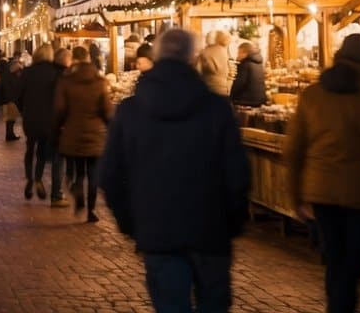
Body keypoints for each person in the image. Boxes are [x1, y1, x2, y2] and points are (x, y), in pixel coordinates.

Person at [100, 28, 251, 313]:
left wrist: (131, 223)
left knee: (170, 305)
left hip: (158, 229)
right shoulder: (217, 109)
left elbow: (110, 175)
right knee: (213, 303)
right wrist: (234, 220)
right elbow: (237, 172)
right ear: (193, 58)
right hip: (210, 228)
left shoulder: (131, 111)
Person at [286, 34, 360, 313]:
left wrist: (296, 197)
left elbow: (293, 150)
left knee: (336, 259)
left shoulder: (312, 95)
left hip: (321, 192)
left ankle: (337, 305)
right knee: (351, 265)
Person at [55, 46, 113, 222]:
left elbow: (59, 109)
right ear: (89, 58)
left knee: (79, 171)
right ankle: (91, 210)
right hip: (95, 134)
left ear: (74, 60)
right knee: (93, 173)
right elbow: (107, 111)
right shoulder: (100, 82)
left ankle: (78, 193)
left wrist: (58, 128)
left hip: (73, 132)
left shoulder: (66, 81)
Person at [13, 44, 67, 205]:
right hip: (49, 120)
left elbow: (17, 95)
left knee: (30, 149)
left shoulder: (27, 73)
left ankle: (30, 179)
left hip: (30, 119)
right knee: (42, 150)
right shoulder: (55, 73)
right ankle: (38, 178)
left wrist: (23, 110)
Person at [228, 42, 267, 108]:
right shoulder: (259, 64)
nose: (237, 55)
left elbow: (238, 84)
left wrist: (230, 96)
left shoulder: (245, 65)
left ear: (245, 53)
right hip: (260, 99)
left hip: (247, 100)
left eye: (239, 53)